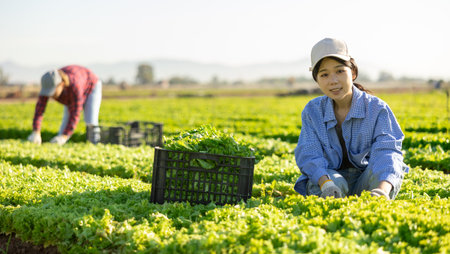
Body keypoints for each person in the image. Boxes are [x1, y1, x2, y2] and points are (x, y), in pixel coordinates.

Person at [294, 38, 409, 200]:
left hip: (366, 182)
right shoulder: (313, 111)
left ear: (353, 72)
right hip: (329, 183)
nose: (333, 81)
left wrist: (382, 190)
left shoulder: (376, 108)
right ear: (317, 80)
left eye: (340, 71)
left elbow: (387, 152)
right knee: (333, 180)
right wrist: (326, 184)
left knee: (381, 172)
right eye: (324, 74)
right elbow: (309, 154)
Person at [27, 65, 102, 145]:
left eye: (53, 92)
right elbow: (39, 109)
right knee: (66, 117)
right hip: (71, 89)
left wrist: (64, 136)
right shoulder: (48, 83)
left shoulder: (75, 87)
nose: (51, 95)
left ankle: (95, 143)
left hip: (91, 84)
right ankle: (58, 144)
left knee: (90, 120)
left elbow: (75, 114)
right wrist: (36, 131)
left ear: (61, 84)